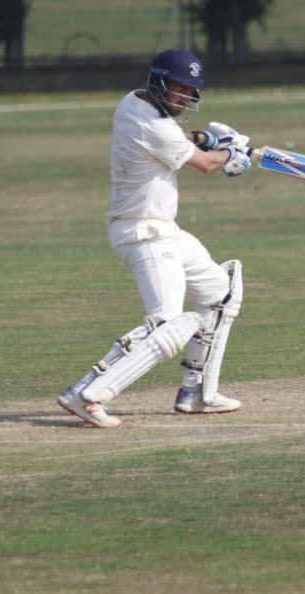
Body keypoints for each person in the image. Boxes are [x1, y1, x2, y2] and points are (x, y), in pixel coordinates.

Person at [58, 48, 252, 428]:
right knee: (167, 323)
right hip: (143, 233)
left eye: (191, 92)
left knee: (219, 292)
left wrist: (209, 138)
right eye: (179, 90)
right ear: (159, 83)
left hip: (164, 230)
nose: (185, 99)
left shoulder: (133, 102)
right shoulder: (154, 128)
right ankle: (88, 393)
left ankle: (197, 393)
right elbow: (206, 166)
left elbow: (183, 140)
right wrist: (232, 153)